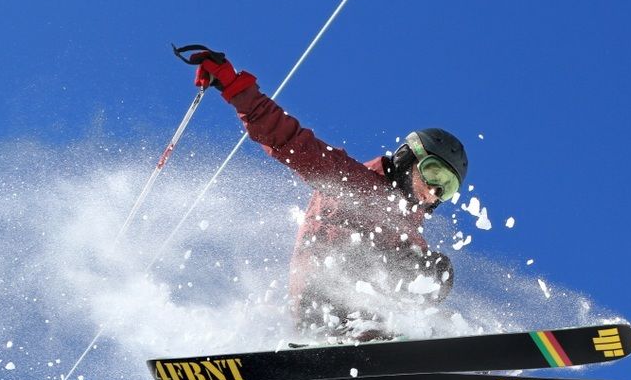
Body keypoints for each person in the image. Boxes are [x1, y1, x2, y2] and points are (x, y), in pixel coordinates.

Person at [189, 47, 467, 341]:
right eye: (434, 173)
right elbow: (290, 142)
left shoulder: (408, 233)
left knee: (435, 270)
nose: (435, 191)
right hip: (321, 301)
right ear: (407, 159)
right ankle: (365, 333)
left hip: (371, 313)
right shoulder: (353, 181)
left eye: (446, 188)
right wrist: (236, 88)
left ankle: (421, 349)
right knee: (381, 262)